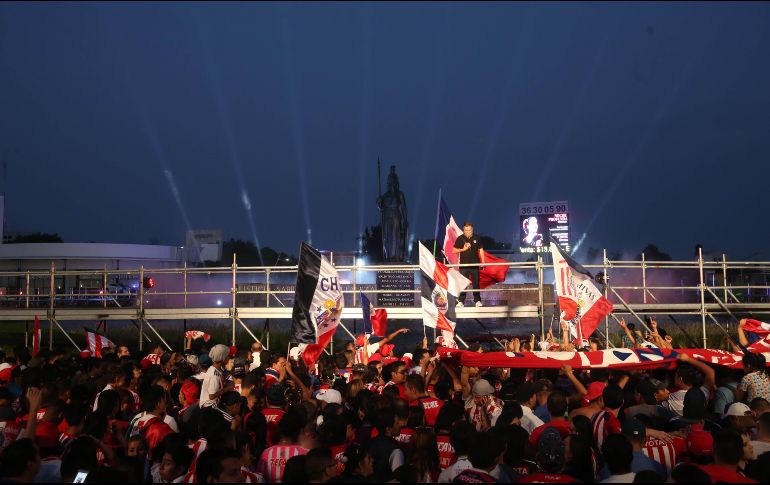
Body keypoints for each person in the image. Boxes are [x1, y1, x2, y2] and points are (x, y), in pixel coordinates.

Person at [452, 222, 485, 307]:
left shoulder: (477, 238)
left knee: (476, 283)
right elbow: (454, 250)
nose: (467, 232)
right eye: (465, 230)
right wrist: (463, 249)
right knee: (463, 283)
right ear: (463, 230)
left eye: (469, 230)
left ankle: (477, 300)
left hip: (475, 265)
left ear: (472, 230)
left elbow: (481, 250)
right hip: (464, 265)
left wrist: (483, 262)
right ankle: (461, 301)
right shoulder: (460, 238)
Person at [200, 345, 233, 409]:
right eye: (228, 356)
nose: (229, 357)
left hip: (212, 406)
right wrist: (228, 388)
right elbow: (212, 396)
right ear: (223, 359)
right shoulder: (214, 374)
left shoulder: (215, 369)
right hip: (209, 407)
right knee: (233, 418)